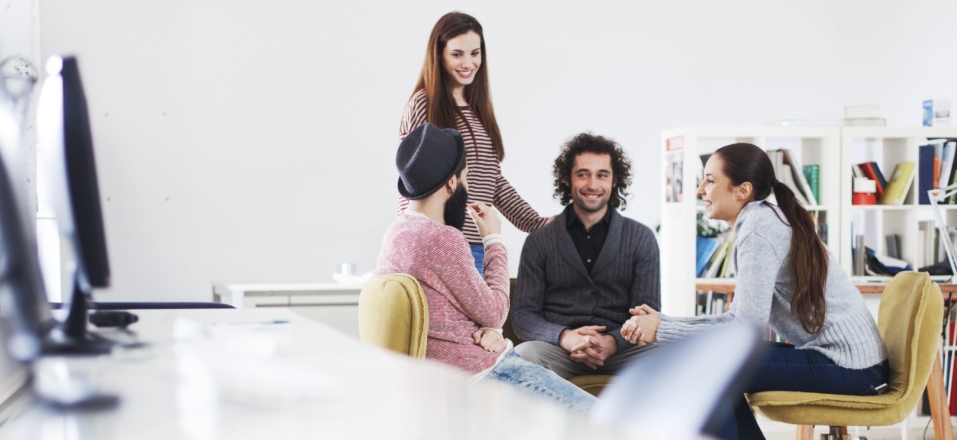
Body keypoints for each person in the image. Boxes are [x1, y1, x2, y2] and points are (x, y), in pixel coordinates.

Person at [620, 143, 888, 440]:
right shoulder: (763, 220)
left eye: (709, 180)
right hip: (850, 363)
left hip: (852, 367)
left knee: (708, 367)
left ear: (742, 190)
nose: (700, 190)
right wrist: (664, 323)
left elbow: (741, 329)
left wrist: (661, 330)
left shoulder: (759, 230)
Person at [375, 123, 596, 413]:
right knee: (604, 419)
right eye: (465, 177)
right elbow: (496, 311)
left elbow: (449, 308)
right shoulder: (443, 239)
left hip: (444, 374)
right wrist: (493, 238)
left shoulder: (396, 233)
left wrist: (488, 328)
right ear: (452, 184)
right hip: (483, 374)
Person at [399, 11, 551, 275]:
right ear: (439, 54)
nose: (468, 62)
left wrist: (538, 223)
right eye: (457, 54)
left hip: (478, 245)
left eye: (475, 53)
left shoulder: (479, 111)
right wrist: (418, 242)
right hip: (441, 247)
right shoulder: (425, 104)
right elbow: (414, 181)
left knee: (486, 317)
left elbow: (493, 181)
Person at [511, 132, 661, 378]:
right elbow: (523, 317)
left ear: (614, 181)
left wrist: (611, 343)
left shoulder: (641, 238)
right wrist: (565, 337)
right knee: (522, 356)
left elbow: (647, 313)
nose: (593, 184)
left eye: (602, 175)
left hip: (622, 350)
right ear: (567, 180)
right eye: (583, 174)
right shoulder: (539, 241)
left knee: (672, 354)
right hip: (558, 350)